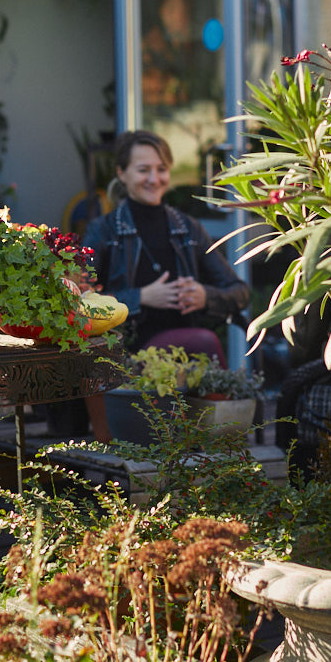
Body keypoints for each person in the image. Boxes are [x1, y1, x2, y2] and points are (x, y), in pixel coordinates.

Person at [81, 129, 250, 440]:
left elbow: (239, 291)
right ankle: (219, 437)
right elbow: (80, 300)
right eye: (143, 169)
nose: (154, 178)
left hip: (187, 357)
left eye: (161, 169)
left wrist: (205, 296)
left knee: (198, 341)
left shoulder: (188, 228)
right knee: (202, 340)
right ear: (122, 172)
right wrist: (141, 297)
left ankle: (211, 436)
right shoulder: (104, 230)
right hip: (128, 355)